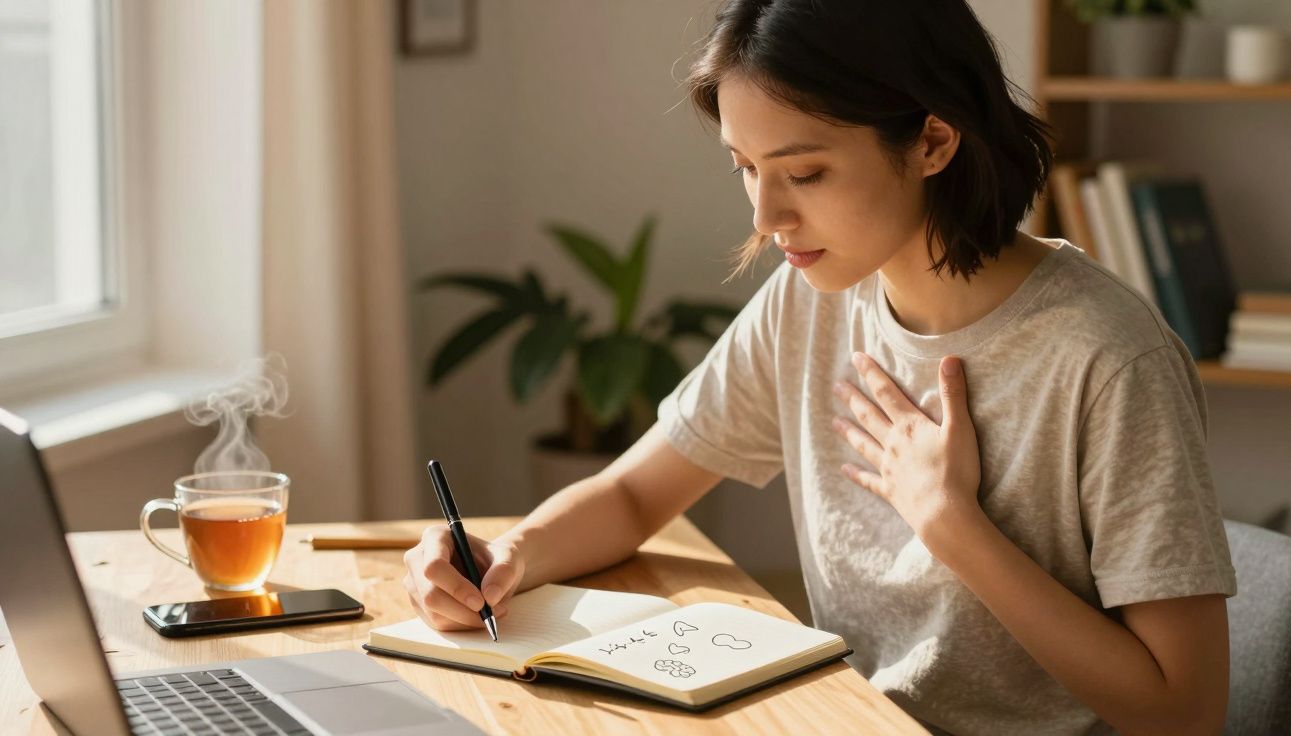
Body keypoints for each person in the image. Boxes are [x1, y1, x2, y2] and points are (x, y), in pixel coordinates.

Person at [403, 1, 1237, 733]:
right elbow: (630, 494)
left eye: (805, 172)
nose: (767, 216)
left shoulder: (1106, 357)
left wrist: (951, 526)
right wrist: (506, 556)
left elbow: (1182, 713)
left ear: (933, 141)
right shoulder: (815, 296)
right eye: (746, 169)